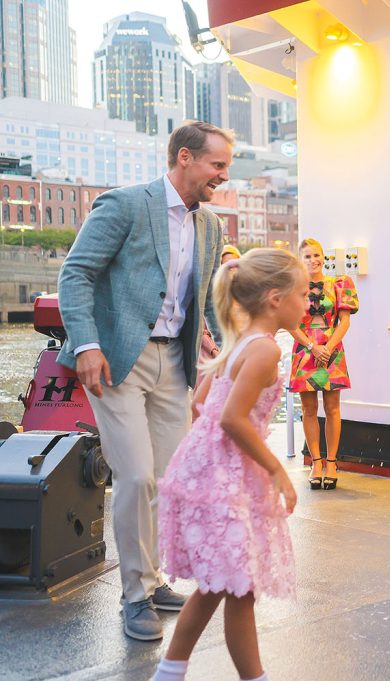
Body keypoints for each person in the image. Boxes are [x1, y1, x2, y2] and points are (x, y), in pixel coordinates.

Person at [57, 120, 233, 641]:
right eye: (217, 165)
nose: (223, 175)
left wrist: (213, 336)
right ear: (184, 158)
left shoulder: (212, 226)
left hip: (174, 364)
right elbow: (77, 274)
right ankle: (134, 596)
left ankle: (153, 580)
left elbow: (202, 298)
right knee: (134, 477)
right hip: (119, 360)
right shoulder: (125, 204)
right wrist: (87, 345)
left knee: (164, 479)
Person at [153, 248, 302, 681]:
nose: (307, 303)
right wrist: (274, 469)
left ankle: (172, 670)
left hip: (211, 474)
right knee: (234, 586)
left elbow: (200, 405)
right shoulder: (266, 352)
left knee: (226, 584)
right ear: (275, 298)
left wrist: (216, 459)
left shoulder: (239, 343)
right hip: (226, 480)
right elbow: (231, 417)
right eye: (303, 294)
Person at [287, 238, 358, 491]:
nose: (313, 260)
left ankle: (331, 463)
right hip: (305, 350)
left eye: (316, 255)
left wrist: (327, 348)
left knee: (332, 408)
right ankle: (316, 462)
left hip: (332, 350)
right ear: (300, 259)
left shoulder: (339, 284)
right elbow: (290, 323)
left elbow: (345, 321)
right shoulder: (292, 287)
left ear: (323, 257)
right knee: (308, 409)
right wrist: (311, 346)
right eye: (307, 256)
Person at [200, 245, 241, 364]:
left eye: (235, 264)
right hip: (220, 355)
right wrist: (214, 351)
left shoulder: (247, 294)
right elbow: (204, 330)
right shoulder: (213, 297)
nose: (231, 268)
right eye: (226, 265)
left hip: (245, 353)